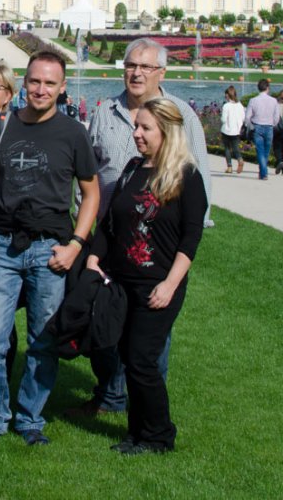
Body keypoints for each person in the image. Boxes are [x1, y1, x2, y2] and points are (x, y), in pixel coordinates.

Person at [0, 51, 100, 445]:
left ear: (62, 87)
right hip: (1, 244)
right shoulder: (0, 126)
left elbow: (90, 194)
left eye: (50, 83)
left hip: (49, 249)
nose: (41, 89)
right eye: (35, 81)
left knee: (43, 338)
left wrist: (75, 244)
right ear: (24, 82)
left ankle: (29, 417)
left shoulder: (73, 133)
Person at [73, 37, 212, 417]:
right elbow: (90, 172)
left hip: (155, 241)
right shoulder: (105, 111)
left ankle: (146, 402)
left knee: (150, 335)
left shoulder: (180, 114)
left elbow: (198, 186)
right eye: (131, 65)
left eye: (145, 67)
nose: (136, 73)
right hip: (109, 236)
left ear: (161, 73)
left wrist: (182, 252)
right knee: (105, 323)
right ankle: (110, 394)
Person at [86, 98, 205, 455]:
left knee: (141, 360)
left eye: (144, 128)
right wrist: (94, 257)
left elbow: (191, 237)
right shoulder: (132, 169)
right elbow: (110, 223)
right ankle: (137, 433)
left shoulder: (186, 175)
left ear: (166, 131)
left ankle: (159, 435)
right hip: (122, 283)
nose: (136, 134)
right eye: (136, 126)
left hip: (159, 285)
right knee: (127, 356)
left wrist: (170, 284)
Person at [245, 78, 281, 180]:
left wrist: (251, 127)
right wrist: (273, 124)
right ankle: (264, 173)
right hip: (269, 127)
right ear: (267, 88)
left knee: (260, 151)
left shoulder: (253, 100)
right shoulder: (273, 101)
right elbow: (277, 116)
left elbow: (247, 117)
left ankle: (263, 173)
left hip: (257, 126)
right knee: (265, 151)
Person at [220, 85, 246, 174]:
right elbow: (243, 118)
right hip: (236, 130)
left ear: (227, 95)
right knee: (235, 148)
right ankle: (240, 159)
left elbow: (223, 119)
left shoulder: (226, 106)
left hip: (226, 130)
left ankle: (229, 167)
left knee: (227, 148)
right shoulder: (240, 105)